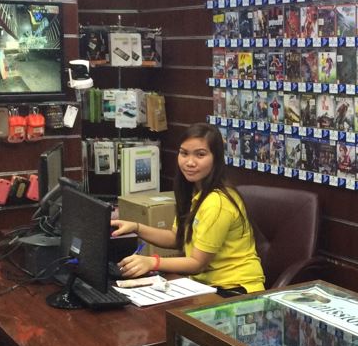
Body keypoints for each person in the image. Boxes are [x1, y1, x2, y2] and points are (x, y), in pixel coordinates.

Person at [112, 123, 265, 292]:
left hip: (235, 289)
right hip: (206, 286)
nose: (190, 162)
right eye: (184, 153)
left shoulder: (217, 202)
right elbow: (177, 238)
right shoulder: (194, 191)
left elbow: (197, 263)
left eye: (200, 155)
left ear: (216, 158)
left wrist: (152, 262)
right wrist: (136, 227)